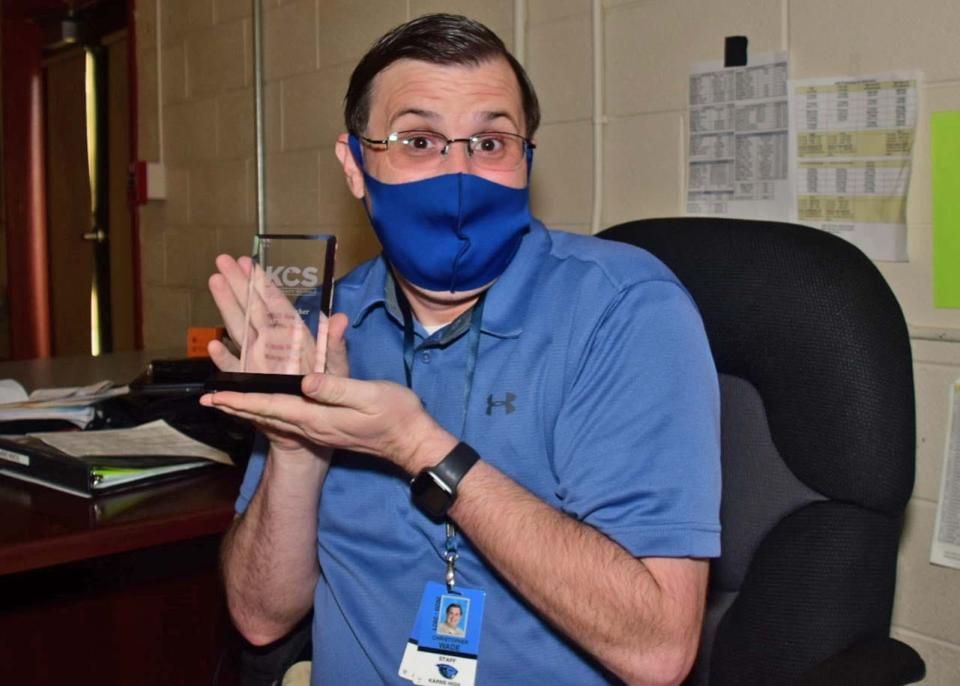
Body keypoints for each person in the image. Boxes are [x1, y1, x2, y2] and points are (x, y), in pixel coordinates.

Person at [203, 13, 721, 686]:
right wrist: (298, 444)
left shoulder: (625, 312)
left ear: (527, 157)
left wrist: (424, 449)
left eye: (490, 141)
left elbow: (659, 651)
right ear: (356, 166)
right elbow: (260, 617)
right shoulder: (323, 329)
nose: (458, 172)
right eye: (419, 140)